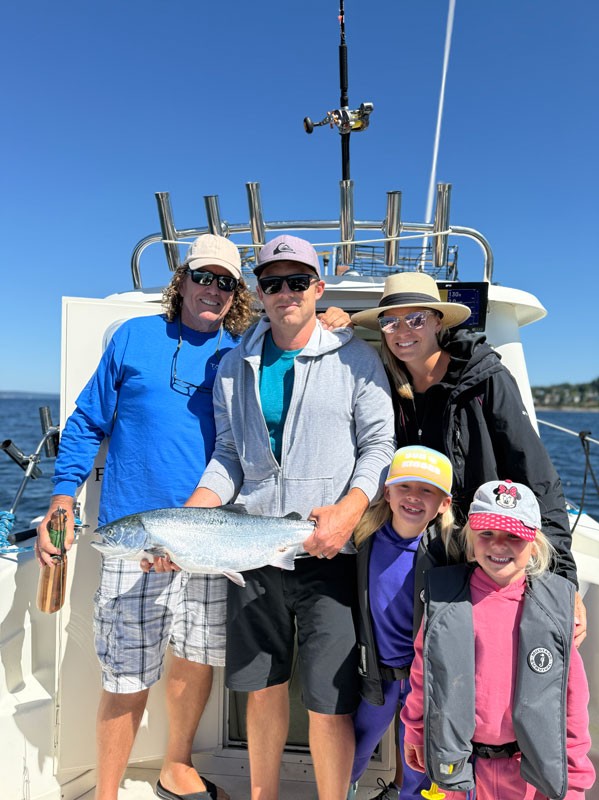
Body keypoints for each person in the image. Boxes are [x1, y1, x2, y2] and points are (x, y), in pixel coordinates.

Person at [350, 272, 586, 800]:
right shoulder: (385, 383)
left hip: (473, 552)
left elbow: (536, 470)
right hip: (407, 540)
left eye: (416, 318)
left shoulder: (483, 379)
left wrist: (562, 579)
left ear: (438, 321)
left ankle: (434, 783)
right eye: (390, 321)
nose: (403, 330)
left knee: (451, 671)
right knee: (396, 665)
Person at [35, 234, 255, 800]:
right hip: (134, 538)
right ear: (180, 281)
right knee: (125, 672)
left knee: (195, 657)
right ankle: (106, 791)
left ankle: (175, 765)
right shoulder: (134, 338)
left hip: (210, 539)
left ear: (236, 294)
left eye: (225, 282)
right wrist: (63, 496)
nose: (212, 289)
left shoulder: (242, 352)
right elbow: (87, 422)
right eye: (203, 277)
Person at [185, 234, 396, 800]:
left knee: (330, 701)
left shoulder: (358, 357)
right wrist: (191, 516)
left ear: (318, 287)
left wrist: (349, 512)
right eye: (273, 282)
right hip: (251, 550)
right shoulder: (233, 366)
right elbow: (228, 457)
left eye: (297, 281)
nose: (285, 293)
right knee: (263, 687)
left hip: (330, 550)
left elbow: (380, 447)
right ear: (259, 291)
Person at [401, 479, 595, 799]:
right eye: (487, 533)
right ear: (471, 538)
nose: (498, 545)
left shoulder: (552, 611)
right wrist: (415, 730)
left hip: (527, 774)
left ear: (534, 543)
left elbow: (571, 701)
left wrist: (573, 780)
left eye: (513, 536)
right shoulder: (446, 602)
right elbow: (425, 676)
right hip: (463, 767)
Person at [349, 446, 454, 800]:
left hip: (421, 681)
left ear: (444, 504)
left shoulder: (449, 551)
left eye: (427, 490)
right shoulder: (363, 538)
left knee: (417, 762)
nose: (414, 497)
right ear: (387, 492)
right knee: (356, 746)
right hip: (376, 674)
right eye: (405, 486)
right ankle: (342, 791)